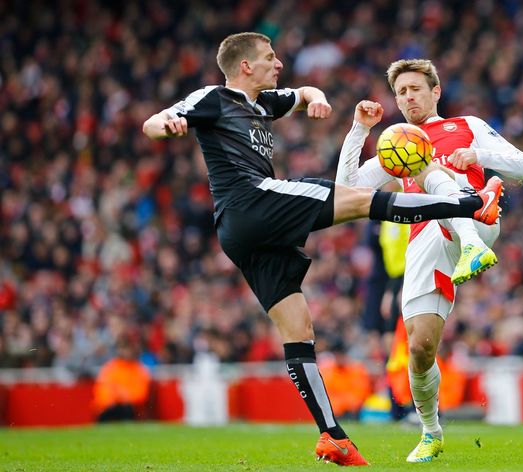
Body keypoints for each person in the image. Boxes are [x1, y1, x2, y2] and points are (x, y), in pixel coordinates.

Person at [142, 33, 503, 466]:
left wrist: (314, 98)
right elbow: (153, 123)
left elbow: (302, 93)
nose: (278, 64)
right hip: (251, 201)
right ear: (244, 66)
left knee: (298, 330)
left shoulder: (263, 102)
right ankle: (471, 203)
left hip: (244, 235)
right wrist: (170, 125)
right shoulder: (214, 97)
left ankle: (332, 436)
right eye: (269, 58)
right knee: (350, 198)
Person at [337, 58, 523, 462]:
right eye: (401, 92)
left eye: (415, 89)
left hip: (479, 216)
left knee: (424, 163)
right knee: (421, 347)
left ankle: (474, 233)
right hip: (426, 237)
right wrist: (359, 129)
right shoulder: (397, 143)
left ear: (435, 91)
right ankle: (431, 432)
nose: (408, 97)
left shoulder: (467, 126)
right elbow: (346, 189)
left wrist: (475, 153)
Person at [93, 337, 151, 422]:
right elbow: (102, 392)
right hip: (110, 407)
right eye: (122, 348)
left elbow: (141, 394)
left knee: (126, 409)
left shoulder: (139, 369)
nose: (125, 352)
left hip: (129, 408)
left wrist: (123, 396)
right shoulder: (110, 368)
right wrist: (116, 398)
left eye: (127, 348)